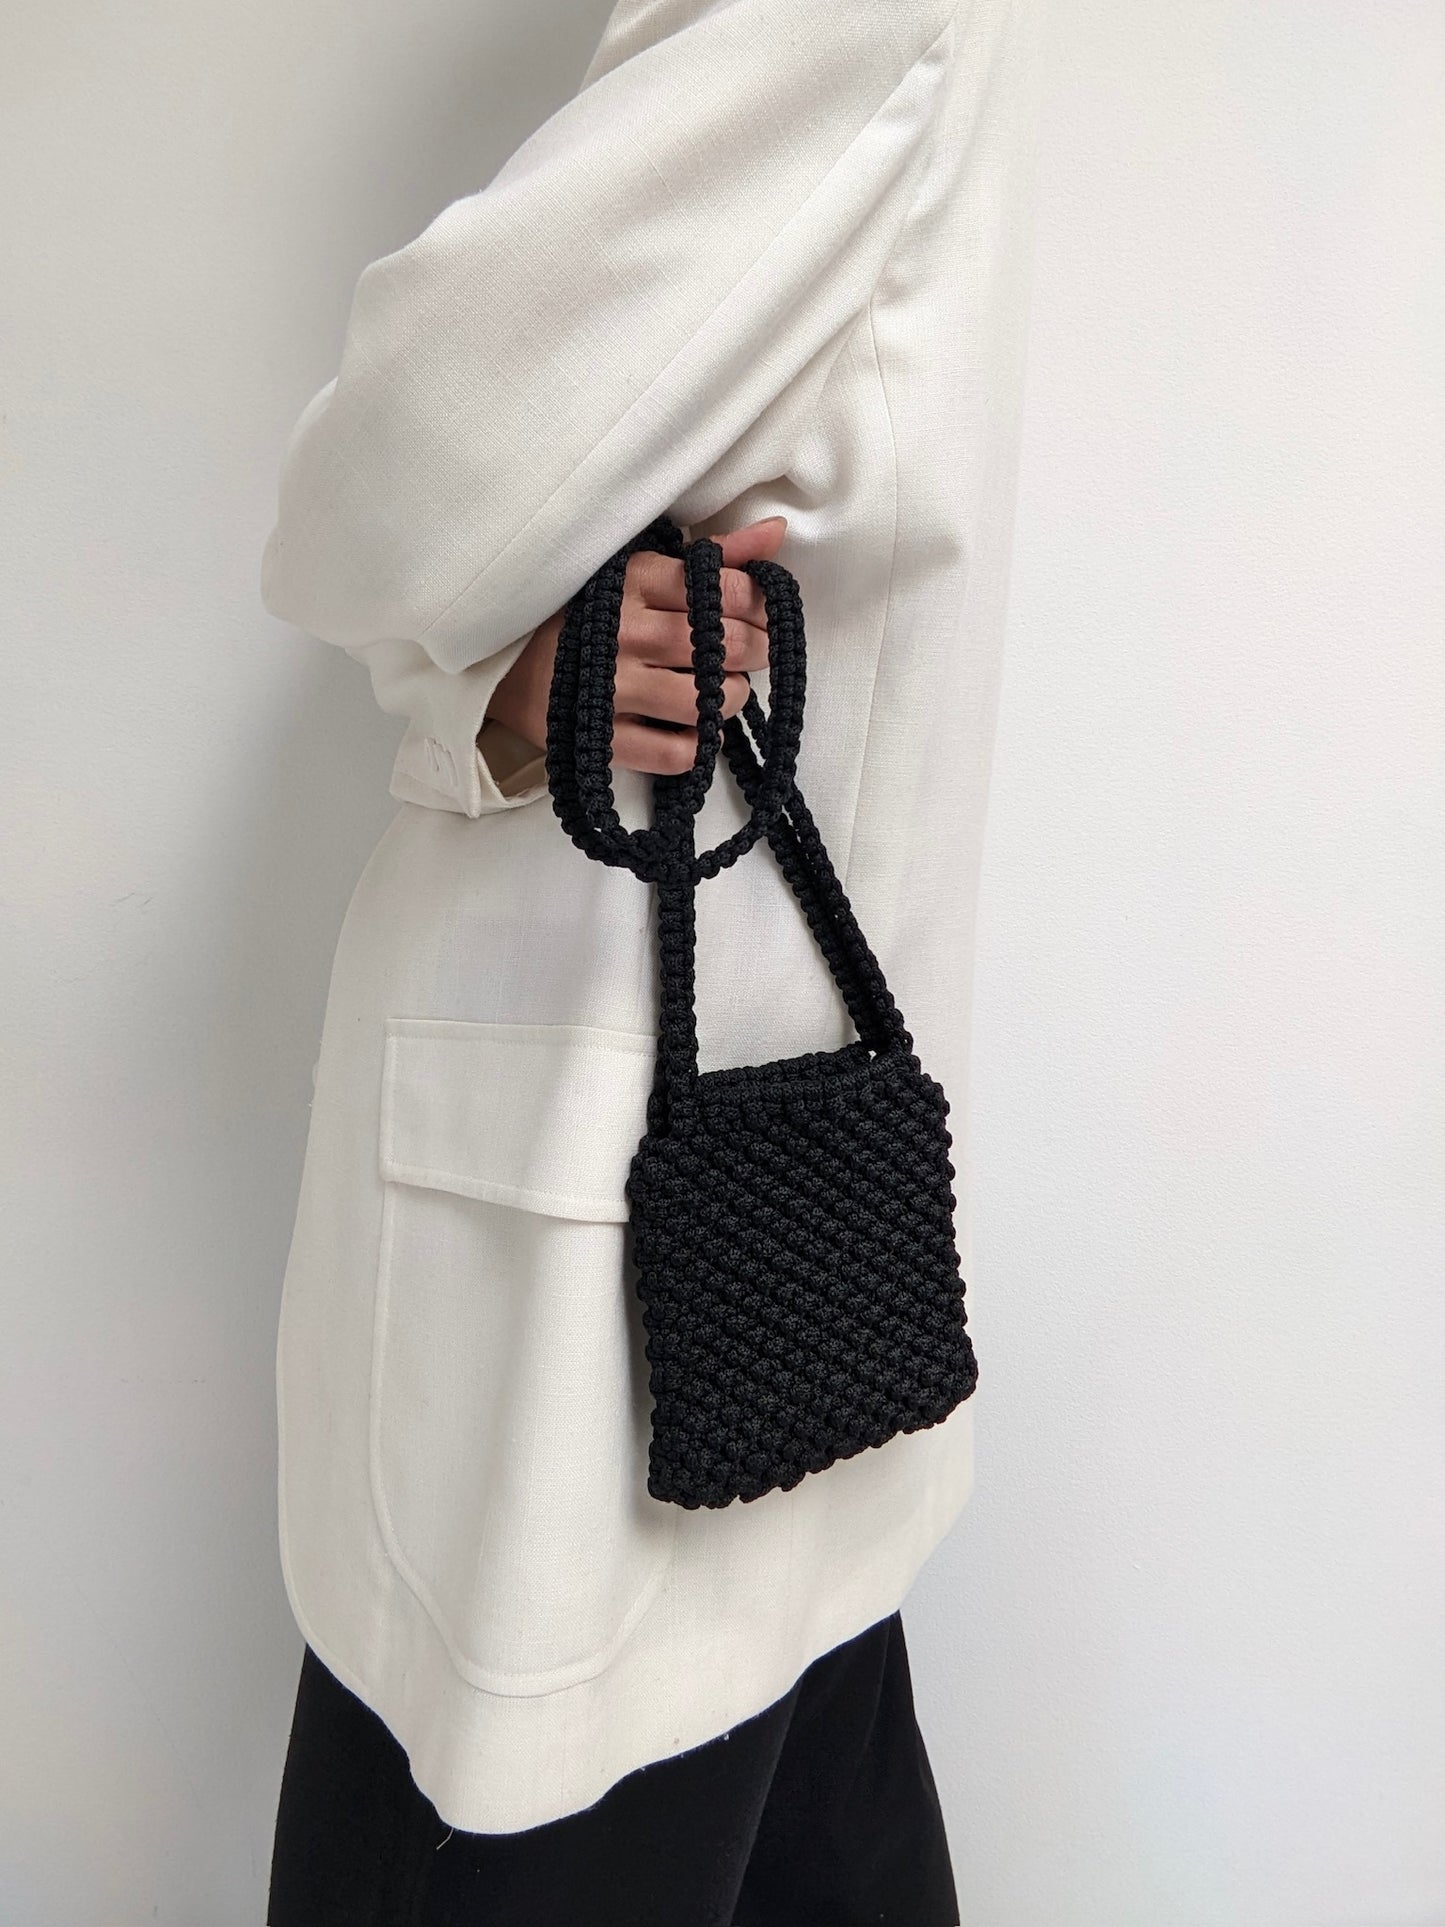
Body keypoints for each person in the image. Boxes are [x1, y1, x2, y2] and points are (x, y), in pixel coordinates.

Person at [259, 0, 1042, 1917]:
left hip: (599, 1251)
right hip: (783, 1248)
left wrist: (463, 673)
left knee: (520, 1797)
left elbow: (374, 481)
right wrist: (496, 689)